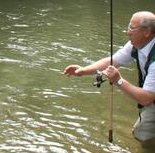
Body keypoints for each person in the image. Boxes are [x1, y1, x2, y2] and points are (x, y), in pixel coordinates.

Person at [64, 11, 155, 145]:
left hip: (150, 97)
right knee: (142, 134)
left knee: (142, 135)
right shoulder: (136, 45)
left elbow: (146, 98)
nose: (127, 32)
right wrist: (82, 71)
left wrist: (118, 81)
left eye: (131, 28)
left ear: (147, 32)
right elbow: (113, 61)